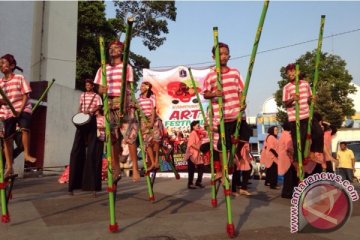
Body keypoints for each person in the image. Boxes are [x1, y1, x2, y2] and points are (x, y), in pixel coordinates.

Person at [94, 40, 140, 182]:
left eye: (116, 47)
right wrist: (101, 90)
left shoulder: (127, 67)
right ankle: (116, 169)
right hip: (109, 103)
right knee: (112, 138)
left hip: (124, 102)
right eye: (110, 48)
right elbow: (99, 88)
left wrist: (124, 105)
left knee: (130, 136)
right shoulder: (103, 68)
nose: (112, 50)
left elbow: (128, 88)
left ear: (121, 51)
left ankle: (135, 169)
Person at [203, 42, 248, 182]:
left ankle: (235, 158)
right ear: (213, 57)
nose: (223, 56)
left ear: (229, 56)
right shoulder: (211, 75)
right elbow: (205, 94)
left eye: (225, 54)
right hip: (222, 117)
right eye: (220, 54)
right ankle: (222, 171)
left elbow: (241, 91)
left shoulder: (235, 72)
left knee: (244, 137)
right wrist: (215, 93)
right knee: (223, 146)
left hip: (236, 115)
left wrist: (243, 103)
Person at [0, 54, 37, 178]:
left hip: (22, 107)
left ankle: (26, 153)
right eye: (0, 63)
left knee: (24, 128)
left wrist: (19, 110)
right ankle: (9, 166)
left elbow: (26, 95)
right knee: (7, 138)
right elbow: (2, 101)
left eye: (4, 63)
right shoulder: (1, 83)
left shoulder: (19, 78)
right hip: (8, 111)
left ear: (12, 66)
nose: (1, 65)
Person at [68, 79, 102, 195]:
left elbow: (99, 107)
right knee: (76, 151)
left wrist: (91, 111)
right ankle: (74, 185)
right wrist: (78, 115)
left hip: (91, 120)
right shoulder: (82, 95)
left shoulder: (97, 96)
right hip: (82, 121)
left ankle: (92, 186)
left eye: (89, 85)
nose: (87, 86)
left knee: (92, 152)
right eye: (86, 85)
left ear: (92, 86)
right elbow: (80, 106)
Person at [282, 63, 312, 162]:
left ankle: (311, 154)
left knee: (317, 133)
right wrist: (292, 99)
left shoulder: (305, 84)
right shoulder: (287, 87)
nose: (290, 74)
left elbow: (309, 99)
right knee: (298, 139)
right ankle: (298, 159)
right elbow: (286, 103)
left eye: (292, 71)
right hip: (294, 117)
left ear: (298, 72)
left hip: (306, 115)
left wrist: (312, 99)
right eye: (288, 73)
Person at [137, 82, 162, 172]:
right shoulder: (138, 99)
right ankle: (152, 163)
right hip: (143, 121)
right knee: (146, 143)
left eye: (143, 86)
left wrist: (152, 121)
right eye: (141, 86)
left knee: (156, 140)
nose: (141, 87)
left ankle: (156, 161)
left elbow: (153, 109)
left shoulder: (152, 97)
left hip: (152, 119)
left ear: (147, 88)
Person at [278, 122, 298, 199]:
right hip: (288, 159)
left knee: (289, 176)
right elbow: (289, 148)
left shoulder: (283, 134)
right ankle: (287, 193)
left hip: (284, 158)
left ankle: (287, 192)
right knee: (289, 177)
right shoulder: (287, 135)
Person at [184, 121, 205, 189]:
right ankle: (190, 184)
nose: (198, 126)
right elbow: (191, 144)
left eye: (199, 125)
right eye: (197, 125)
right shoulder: (193, 133)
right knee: (191, 169)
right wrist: (200, 149)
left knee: (201, 167)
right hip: (192, 154)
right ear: (193, 127)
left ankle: (198, 182)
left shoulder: (198, 133)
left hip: (197, 154)